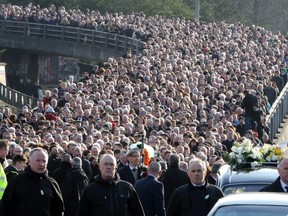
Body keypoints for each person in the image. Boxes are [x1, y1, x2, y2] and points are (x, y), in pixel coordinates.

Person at [0, 148, 64, 216]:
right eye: (38, 160)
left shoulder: (52, 183)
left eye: (44, 161)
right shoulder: (17, 181)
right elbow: (5, 207)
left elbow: (58, 209)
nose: (41, 164)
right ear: (29, 162)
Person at [78, 154, 144, 216]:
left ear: (115, 167)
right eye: (106, 164)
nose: (108, 167)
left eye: (111, 164)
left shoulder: (127, 188)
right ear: (100, 167)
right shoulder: (90, 189)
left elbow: (138, 212)